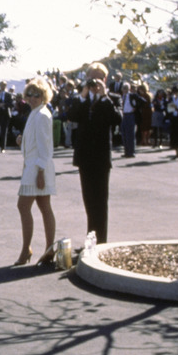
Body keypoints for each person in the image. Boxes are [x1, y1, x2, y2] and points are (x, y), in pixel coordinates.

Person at [69, 62, 122, 244]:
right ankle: (91, 238)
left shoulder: (112, 98)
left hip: (101, 156)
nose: (95, 82)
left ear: (105, 79)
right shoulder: (81, 98)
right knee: (89, 201)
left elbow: (117, 118)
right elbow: (72, 116)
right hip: (84, 156)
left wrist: (104, 96)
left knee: (100, 201)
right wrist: (83, 96)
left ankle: (100, 241)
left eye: (99, 78)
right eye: (92, 78)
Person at [14, 77, 57, 265]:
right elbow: (35, 142)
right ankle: (48, 249)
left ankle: (28, 250)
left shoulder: (42, 115)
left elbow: (45, 148)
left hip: (38, 168)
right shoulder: (35, 113)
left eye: (36, 95)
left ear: (43, 96)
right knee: (44, 206)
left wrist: (40, 172)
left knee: (24, 206)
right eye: (29, 94)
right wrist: (22, 141)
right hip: (33, 166)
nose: (32, 98)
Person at [119, 82, 139, 158]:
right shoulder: (122, 96)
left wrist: (133, 109)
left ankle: (131, 152)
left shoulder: (131, 96)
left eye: (126, 88)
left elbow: (136, 104)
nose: (124, 90)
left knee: (130, 134)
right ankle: (126, 151)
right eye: (123, 88)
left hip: (130, 115)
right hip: (124, 115)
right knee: (124, 134)